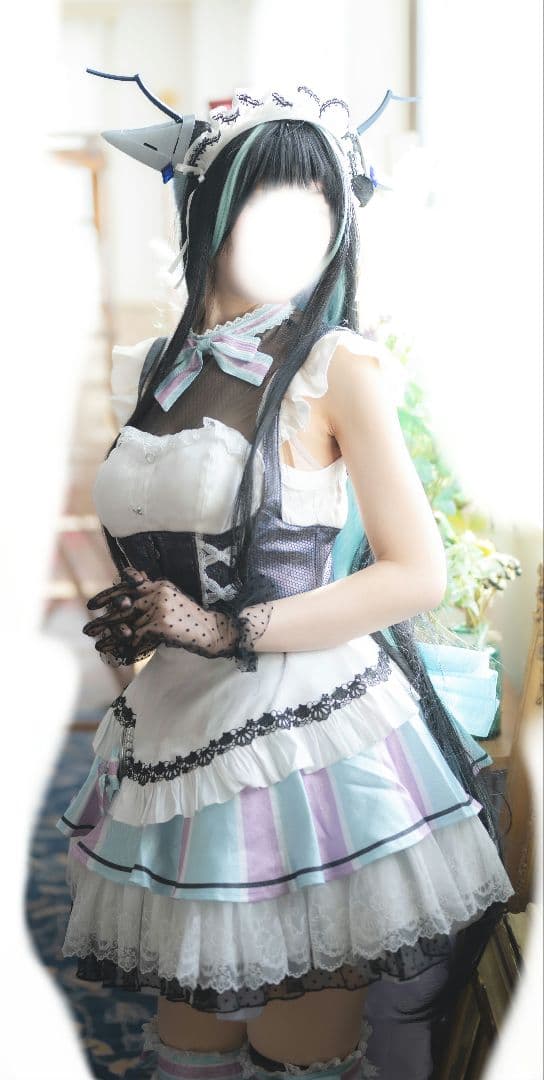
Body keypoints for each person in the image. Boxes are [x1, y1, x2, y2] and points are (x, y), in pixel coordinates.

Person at [56, 78, 515, 1079]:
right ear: (206, 210)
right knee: (190, 1046)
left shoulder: (334, 364)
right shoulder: (155, 367)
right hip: (174, 733)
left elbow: (417, 573)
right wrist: (143, 616)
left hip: (307, 740)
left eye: (313, 211)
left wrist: (224, 628)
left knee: (294, 1051)